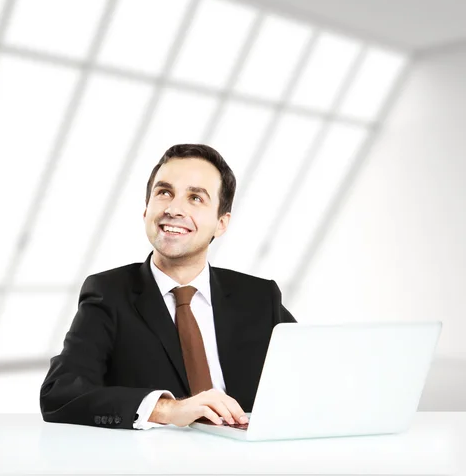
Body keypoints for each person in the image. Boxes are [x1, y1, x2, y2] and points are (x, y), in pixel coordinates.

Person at [40, 143, 296, 430]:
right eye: (164, 193)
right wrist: (167, 409)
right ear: (146, 210)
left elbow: (318, 378)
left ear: (221, 223)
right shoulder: (108, 293)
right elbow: (60, 393)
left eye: (196, 198)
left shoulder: (259, 298)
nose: (174, 209)